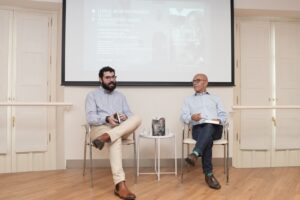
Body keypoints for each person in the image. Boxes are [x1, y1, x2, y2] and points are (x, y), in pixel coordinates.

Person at [85, 66, 141, 200]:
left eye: (113, 77)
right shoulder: (92, 95)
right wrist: (106, 118)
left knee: (137, 118)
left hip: (118, 128)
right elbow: (90, 118)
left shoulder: (120, 96)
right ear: (100, 79)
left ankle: (107, 137)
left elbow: (130, 114)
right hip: (101, 128)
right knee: (115, 139)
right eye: (108, 77)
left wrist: (125, 117)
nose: (111, 80)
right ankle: (120, 185)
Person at [180, 73, 228, 190]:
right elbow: (183, 116)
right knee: (207, 139)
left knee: (209, 126)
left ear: (206, 82)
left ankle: (196, 153)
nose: (195, 83)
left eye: (198, 80)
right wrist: (192, 117)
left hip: (215, 128)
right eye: (193, 81)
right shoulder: (188, 100)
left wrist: (218, 119)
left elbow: (224, 115)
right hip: (198, 129)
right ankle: (208, 175)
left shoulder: (215, 98)